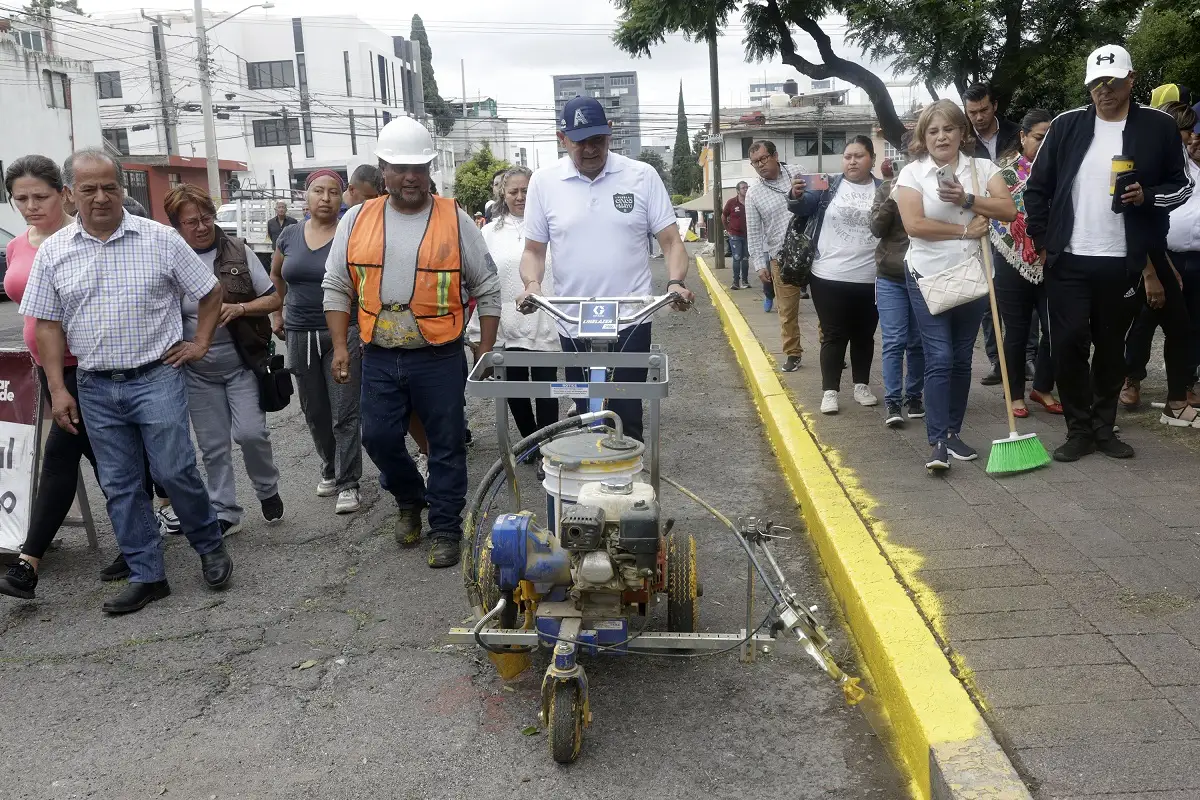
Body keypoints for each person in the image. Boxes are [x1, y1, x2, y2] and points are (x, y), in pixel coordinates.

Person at [19, 148, 233, 614]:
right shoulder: (54, 252)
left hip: (156, 376)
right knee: (119, 484)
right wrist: (58, 389)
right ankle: (147, 574)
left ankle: (208, 544)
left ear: (122, 189)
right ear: (71, 194)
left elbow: (210, 291)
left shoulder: (160, 239)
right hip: (95, 386)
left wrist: (198, 343)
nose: (101, 197)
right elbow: (48, 325)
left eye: (110, 187)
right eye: (89, 189)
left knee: (175, 471)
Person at [322, 117, 502, 569]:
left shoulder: (454, 218)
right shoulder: (357, 220)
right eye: (400, 168)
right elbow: (337, 284)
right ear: (382, 169)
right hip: (379, 353)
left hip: (438, 354)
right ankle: (409, 497)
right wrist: (341, 346)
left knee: (444, 442)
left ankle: (444, 527)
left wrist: (487, 350)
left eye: (418, 168)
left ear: (430, 169)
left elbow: (488, 286)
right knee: (378, 437)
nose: (410, 177)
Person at [1026, 45, 1194, 461]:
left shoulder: (1157, 127)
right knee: (1067, 343)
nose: (1105, 91)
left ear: (1131, 80)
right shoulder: (1066, 125)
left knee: (1110, 346)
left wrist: (1148, 196)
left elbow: (1182, 185)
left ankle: (1104, 426)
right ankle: (1078, 429)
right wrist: (1045, 241)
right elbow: (1037, 188)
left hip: (1124, 259)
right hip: (1069, 257)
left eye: (1114, 82)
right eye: (1097, 83)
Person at [517, 95, 694, 442]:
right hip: (572, 320)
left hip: (630, 318)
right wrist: (532, 284)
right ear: (561, 138)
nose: (589, 149)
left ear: (610, 133)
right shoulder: (544, 182)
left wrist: (675, 282)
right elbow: (533, 251)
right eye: (580, 142)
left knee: (626, 415)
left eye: (597, 140)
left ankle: (627, 489)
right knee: (586, 413)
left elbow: (672, 241)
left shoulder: (641, 176)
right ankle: (592, 490)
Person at [0, 156, 133, 598]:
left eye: (41, 196)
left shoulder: (81, 238)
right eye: (21, 198)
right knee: (104, 457)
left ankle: (27, 563)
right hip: (44, 368)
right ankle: (150, 526)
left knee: (61, 455)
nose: (31, 205)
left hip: (87, 364)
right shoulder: (19, 245)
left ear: (64, 193)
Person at [895, 100, 1017, 470]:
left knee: (962, 357)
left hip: (973, 276)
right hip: (927, 276)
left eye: (948, 129)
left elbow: (1008, 210)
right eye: (933, 131)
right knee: (941, 356)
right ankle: (936, 442)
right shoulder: (912, 175)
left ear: (963, 134)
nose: (941, 136)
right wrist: (965, 230)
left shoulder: (981, 169)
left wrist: (967, 199)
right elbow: (914, 225)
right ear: (923, 137)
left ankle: (952, 432)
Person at [164, 184, 284, 534]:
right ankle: (224, 511)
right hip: (196, 372)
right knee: (213, 447)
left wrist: (242, 307)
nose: (201, 227)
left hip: (241, 364)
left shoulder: (238, 251)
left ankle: (267, 488)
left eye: (206, 218)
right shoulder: (168, 258)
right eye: (191, 222)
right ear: (177, 226)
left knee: (251, 434)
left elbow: (274, 299)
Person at [272, 170, 363, 514]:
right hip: (298, 332)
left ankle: (349, 482)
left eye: (333, 193)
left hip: (343, 332)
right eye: (318, 192)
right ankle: (329, 466)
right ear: (306, 198)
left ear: (342, 199)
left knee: (344, 409)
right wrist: (277, 315)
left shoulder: (349, 234)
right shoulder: (289, 235)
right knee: (314, 410)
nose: (326, 198)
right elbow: (276, 276)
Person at [788, 136, 882, 414]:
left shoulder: (884, 188)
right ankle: (830, 391)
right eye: (847, 156)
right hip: (828, 275)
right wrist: (795, 194)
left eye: (859, 156)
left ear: (871, 160)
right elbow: (803, 206)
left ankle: (861, 385)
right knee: (833, 335)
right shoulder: (828, 185)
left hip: (871, 277)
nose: (852, 161)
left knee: (865, 335)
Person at [1121, 101, 1200, 422]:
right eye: (1185, 132)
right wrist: (1155, 268)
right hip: (1154, 255)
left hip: (1180, 260)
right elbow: (1140, 218)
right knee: (1141, 323)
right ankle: (1129, 380)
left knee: (1185, 327)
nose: (1191, 139)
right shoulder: (1146, 163)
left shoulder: (1184, 167)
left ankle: (1179, 394)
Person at [990, 109, 1063, 420]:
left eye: (1049, 137)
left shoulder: (1060, 174)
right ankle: (1015, 393)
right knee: (1017, 331)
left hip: (1052, 260)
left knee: (1056, 328)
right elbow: (996, 218)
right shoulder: (1003, 176)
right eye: (1038, 137)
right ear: (1022, 137)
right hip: (1011, 262)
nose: (1044, 143)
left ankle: (1043, 386)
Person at [481, 166, 560, 447]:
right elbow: (483, 279)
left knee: (546, 388)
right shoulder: (489, 233)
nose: (520, 197)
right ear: (503, 193)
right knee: (514, 389)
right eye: (513, 191)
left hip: (545, 321)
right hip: (507, 324)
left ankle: (548, 446)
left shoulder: (551, 227)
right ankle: (531, 444)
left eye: (526, 190)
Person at [963, 83, 1022, 387]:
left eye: (984, 109)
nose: (979, 117)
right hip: (982, 224)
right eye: (972, 112)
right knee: (988, 298)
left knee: (1019, 296)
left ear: (994, 105)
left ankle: (1026, 360)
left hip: (1016, 224)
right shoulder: (964, 141)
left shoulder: (1017, 134)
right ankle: (997, 362)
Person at [870, 133, 926, 428]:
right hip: (891, 275)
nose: (913, 159)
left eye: (919, 153)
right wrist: (892, 200)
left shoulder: (934, 184)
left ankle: (914, 395)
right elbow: (876, 229)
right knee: (894, 340)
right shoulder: (886, 188)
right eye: (909, 153)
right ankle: (893, 400)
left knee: (917, 342)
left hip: (922, 274)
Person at [745, 140, 803, 370]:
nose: (760, 165)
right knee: (787, 310)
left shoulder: (799, 173)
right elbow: (754, 231)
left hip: (814, 253)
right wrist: (760, 265)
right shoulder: (753, 193)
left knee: (825, 306)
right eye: (754, 163)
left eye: (763, 159)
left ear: (775, 155)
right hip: (781, 257)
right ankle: (793, 353)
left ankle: (829, 348)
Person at [723, 181, 749, 290]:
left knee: (745, 258)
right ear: (738, 190)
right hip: (735, 235)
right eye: (743, 188)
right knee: (737, 257)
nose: (746, 189)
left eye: (747, 187)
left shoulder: (750, 201)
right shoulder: (732, 202)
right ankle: (735, 282)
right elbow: (724, 216)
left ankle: (745, 281)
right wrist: (728, 229)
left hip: (748, 235)